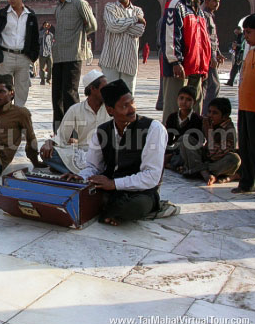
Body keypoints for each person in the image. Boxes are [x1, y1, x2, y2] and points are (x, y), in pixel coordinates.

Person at [63, 79, 169, 226]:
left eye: (132, 102)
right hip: (110, 188)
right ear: (110, 110)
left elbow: (152, 176)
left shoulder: (154, 129)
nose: (132, 109)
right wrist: (80, 177)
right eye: (124, 106)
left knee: (135, 206)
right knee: (75, 195)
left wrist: (114, 184)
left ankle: (116, 209)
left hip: (141, 192)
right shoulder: (101, 132)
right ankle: (112, 210)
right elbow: (94, 167)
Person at [49, 0, 97, 133]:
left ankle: (74, 132)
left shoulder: (79, 3)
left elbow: (92, 26)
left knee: (70, 94)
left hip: (73, 55)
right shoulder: (59, 8)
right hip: (59, 56)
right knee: (57, 96)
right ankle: (59, 132)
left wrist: (79, 37)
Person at [161, 0, 211, 123]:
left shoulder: (198, 9)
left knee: (195, 110)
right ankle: (169, 143)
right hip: (180, 68)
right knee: (174, 109)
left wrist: (205, 65)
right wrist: (175, 61)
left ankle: (193, 142)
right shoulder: (176, 4)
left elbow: (202, 39)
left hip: (196, 67)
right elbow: (170, 34)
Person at [40, 70, 110, 174]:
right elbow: (61, 136)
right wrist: (49, 143)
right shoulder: (75, 109)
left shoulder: (111, 108)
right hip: (83, 154)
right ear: (93, 89)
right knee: (45, 152)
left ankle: (73, 171)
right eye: (104, 89)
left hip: (106, 154)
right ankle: (88, 172)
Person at [0, 0, 39, 107]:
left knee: (22, 91)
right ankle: (5, 119)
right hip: (6, 56)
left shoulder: (30, 16)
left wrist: (32, 56)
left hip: (23, 57)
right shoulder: (1, 15)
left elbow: (35, 38)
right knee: (3, 90)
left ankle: (18, 118)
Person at [99, 0, 145, 95]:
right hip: (110, 60)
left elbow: (139, 31)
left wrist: (121, 23)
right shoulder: (110, 7)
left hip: (129, 61)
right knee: (110, 100)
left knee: (127, 99)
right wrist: (134, 19)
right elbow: (112, 26)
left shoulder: (138, 10)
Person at [180, 97, 240, 186]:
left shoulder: (229, 130)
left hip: (218, 161)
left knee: (234, 159)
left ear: (224, 116)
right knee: (186, 139)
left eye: (215, 113)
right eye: (209, 112)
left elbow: (216, 155)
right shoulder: (207, 121)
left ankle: (198, 170)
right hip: (206, 157)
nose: (210, 115)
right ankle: (202, 172)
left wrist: (209, 133)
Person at [233, 14, 255, 194]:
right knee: (246, 147)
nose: (245, 36)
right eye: (245, 32)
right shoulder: (250, 52)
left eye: (249, 32)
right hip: (245, 106)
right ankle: (247, 182)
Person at [164, 85, 203, 170]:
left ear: (194, 102)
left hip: (189, 152)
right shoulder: (172, 117)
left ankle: (175, 165)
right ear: (177, 99)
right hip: (175, 150)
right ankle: (176, 164)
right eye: (181, 98)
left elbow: (197, 142)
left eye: (188, 99)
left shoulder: (197, 120)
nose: (184, 102)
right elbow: (168, 139)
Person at [201, 0, 225, 116]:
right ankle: (206, 114)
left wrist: (218, 52)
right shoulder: (204, 16)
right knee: (214, 85)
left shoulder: (210, 16)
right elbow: (205, 38)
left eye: (218, 1)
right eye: (214, 1)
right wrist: (211, 56)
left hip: (211, 54)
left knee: (206, 86)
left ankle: (203, 113)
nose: (217, 4)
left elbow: (213, 37)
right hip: (208, 55)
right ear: (207, 2)